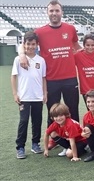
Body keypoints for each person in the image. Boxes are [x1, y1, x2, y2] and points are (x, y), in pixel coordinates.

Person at [18, 0, 82, 150]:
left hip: (70, 77)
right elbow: (24, 43)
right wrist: (21, 55)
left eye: (57, 10)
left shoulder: (70, 29)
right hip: (51, 79)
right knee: (52, 112)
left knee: (72, 109)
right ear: (47, 13)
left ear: (62, 12)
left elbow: (76, 47)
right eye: (51, 11)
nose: (54, 13)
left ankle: (78, 138)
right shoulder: (39, 32)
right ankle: (55, 138)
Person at [11, 31, 47, 159]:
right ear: (23, 44)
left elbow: (43, 78)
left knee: (37, 120)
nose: (30, 47)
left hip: (37, 96)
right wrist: (15, 94)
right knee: (24, 120)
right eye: (28, 44)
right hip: (24, 97)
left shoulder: (41, 60)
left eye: (33, 44)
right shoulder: (18, 59)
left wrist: (44, 93)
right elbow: (13, 77)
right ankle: (20, 147)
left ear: (37, 45)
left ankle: (35, 144)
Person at [74, 34, 94, 107]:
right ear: (83, 45)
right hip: (86, 89)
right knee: (90, 109)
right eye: (87, 45)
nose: (90, 47)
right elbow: (69, 58)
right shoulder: (78, 56)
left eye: (92, 45)